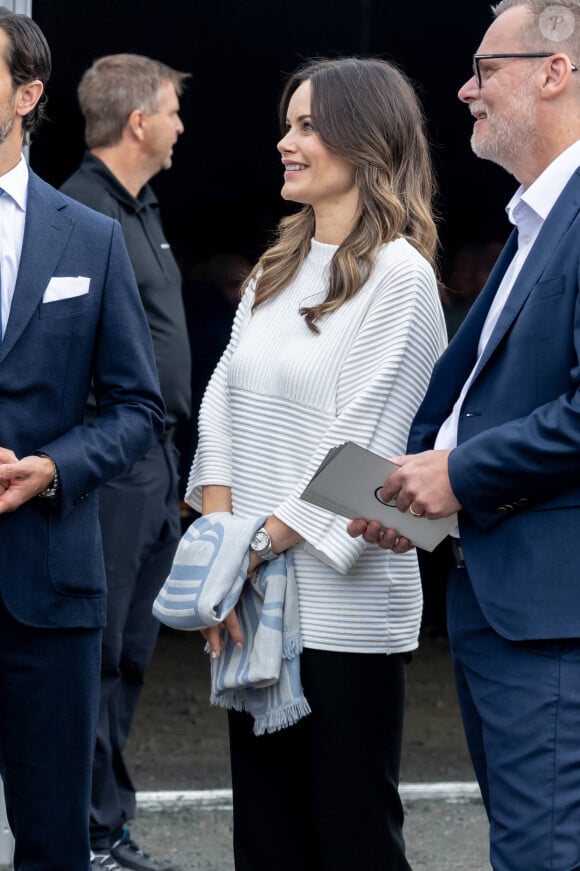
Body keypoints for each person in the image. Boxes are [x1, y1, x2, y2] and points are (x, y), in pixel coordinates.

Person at [186, 57, 447, 871]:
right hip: (253, 596)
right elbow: (218, 410)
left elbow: (360, 451)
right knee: (265, 842)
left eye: (306, 126)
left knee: (353, 839)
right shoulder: (273, 268)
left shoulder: (401, 278)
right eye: (288, 123)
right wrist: (223, 557)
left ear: (365, 142)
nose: (284, 143)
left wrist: (243, 557)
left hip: (345, 613)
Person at [349, 2, 580, 869]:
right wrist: (413, 493)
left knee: (541, 852)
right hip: (502, 601)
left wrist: (460, 473)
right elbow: (484, 401)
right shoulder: (536, 222)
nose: (465, 88)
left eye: (485, 69)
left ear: (554, 72)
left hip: (551, 613)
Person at [0, 9, 165, 871]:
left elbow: (139, 407)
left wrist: (53, 468)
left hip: (49, 590)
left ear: (27, 94)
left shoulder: (90, 237)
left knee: (55, 842)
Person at [61, 54, 191, 871]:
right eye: (173, 112)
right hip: (113, 466)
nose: (182, 128)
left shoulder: (140, 210)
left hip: (157, 462)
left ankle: (106, 823)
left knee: (131, 654)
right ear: (138, 122)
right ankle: (84, 832)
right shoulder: (77, 214)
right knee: (97, 655)